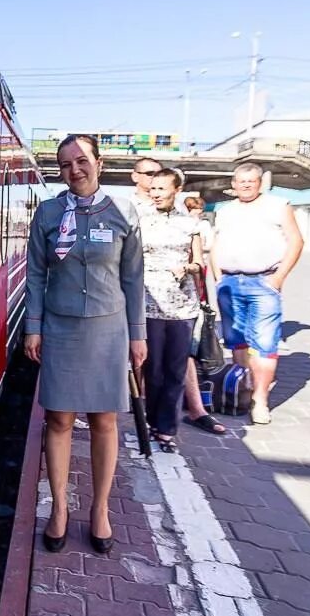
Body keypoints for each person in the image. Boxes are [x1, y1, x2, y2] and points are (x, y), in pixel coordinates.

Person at [24, 134, 147, 554]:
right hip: (60, 328)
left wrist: (138, 334)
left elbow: (133, 278)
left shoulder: (122, 213)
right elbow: (36, 274)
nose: (74, 170)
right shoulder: (48, 213)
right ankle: (59, 508)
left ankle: (100, 509)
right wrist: (33, 327)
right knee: (58, 421)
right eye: (64, 164)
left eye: (81, 161)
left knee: (104, 422)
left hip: (107, 329)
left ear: (98, 162)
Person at [211, 163, 305, 424]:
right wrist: (218, 278)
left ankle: (260, 401)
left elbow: (296, 241)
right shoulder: (225, 211)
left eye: (252, 181)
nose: (246, 185)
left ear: (261, 182)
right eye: (241, 181)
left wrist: (278, 278)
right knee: (236, 340)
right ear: (233, 184)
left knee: (265, 342)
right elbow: (217, 244)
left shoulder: (278, 205)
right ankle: (243, 387)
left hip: (263, 282)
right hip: (230, 282)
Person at [140, 170, 206, 451]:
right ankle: (152, 420)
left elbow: (200, 263)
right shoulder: (140, 221)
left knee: (175, 370)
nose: (155, 193)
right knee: (152, 369)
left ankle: (166, 428)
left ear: (177, 190)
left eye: (162, 188)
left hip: (182, 306)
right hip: (147, 303)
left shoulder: (190, 224)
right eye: (153, 188)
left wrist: (187, 267)